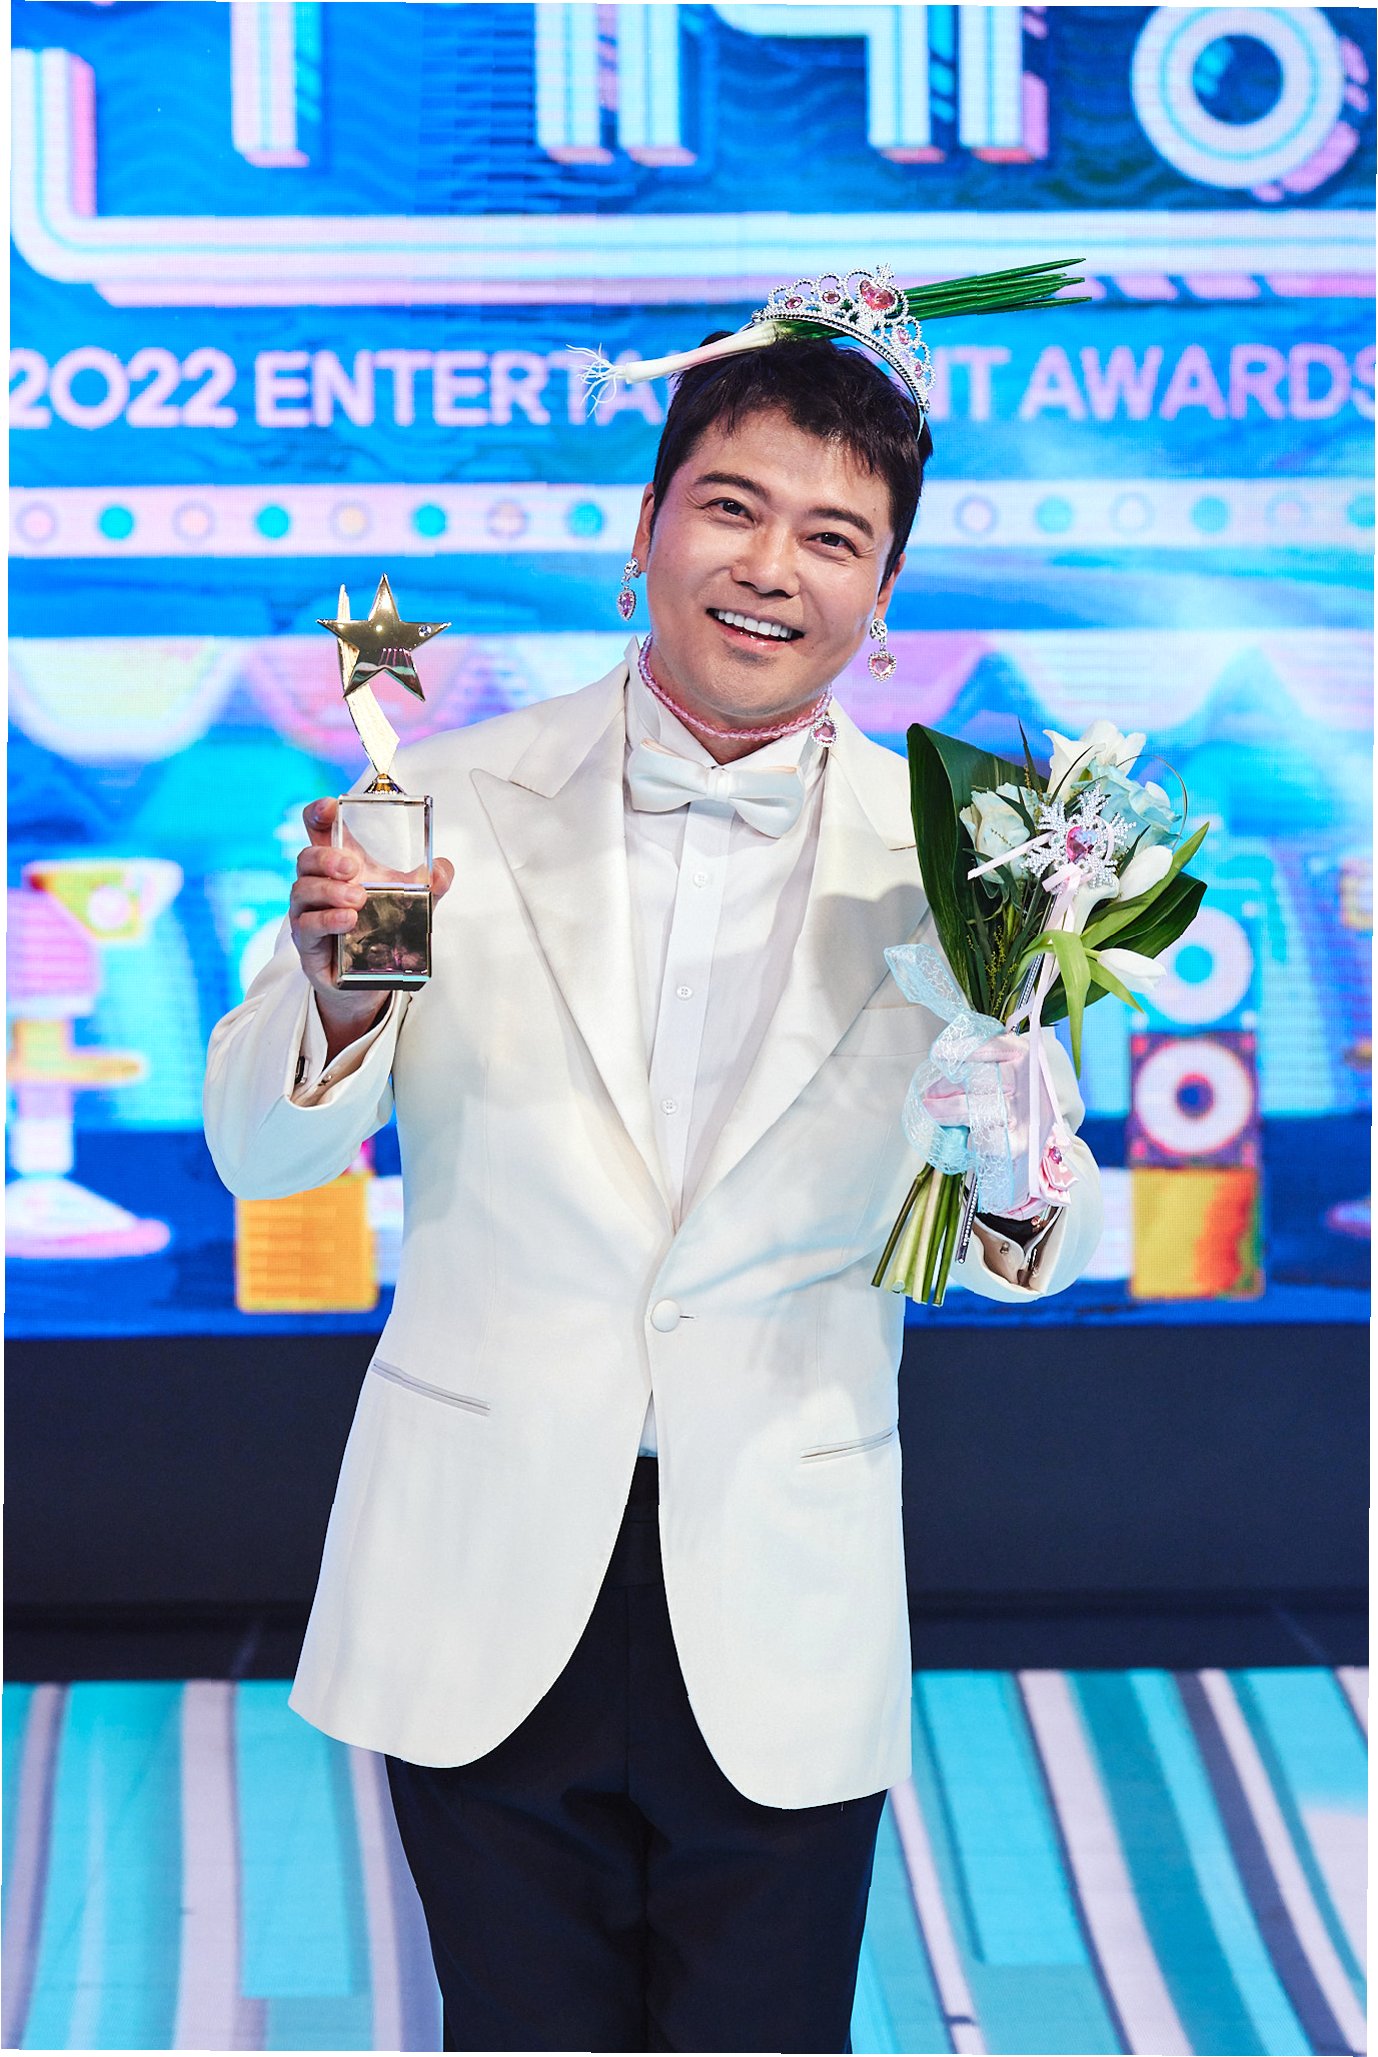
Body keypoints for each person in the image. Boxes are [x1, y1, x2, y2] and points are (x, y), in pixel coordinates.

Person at [204, 272, 1102, 2054]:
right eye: (730, 508)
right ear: (643, 532)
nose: (771, 567)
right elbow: (257, 1147)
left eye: (832, 537)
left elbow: (1038, 1245)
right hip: (483, 1565)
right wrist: (335, 989)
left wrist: (1006, 1136)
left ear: (883, 595)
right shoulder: (435, 806)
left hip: (780, 1577)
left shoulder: (963, 861)